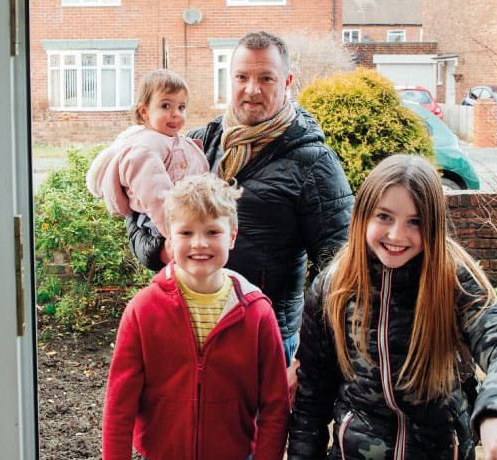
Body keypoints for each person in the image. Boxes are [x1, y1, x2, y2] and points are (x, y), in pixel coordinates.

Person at [127, 31, 354, 370]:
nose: (252, 89)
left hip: (264, 338)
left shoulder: (313, 164)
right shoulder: (195, 145)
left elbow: (340, 271)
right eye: (242, 77)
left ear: (287, 81)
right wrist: (160, 249)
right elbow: (137, 217)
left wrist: (308, 360)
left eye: (266, 78)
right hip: (188, 328)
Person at [287, 154, 497, 460]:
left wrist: (494, 414)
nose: (396, 235)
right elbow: (311, 402)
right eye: (384, 217)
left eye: (415, 222)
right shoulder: (332, 289)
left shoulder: (453, 281)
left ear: (433, 225)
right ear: (363, 215)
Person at [102, 174, 289, 460]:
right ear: (169, 237)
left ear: (233, 236)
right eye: (186, 233)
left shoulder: (257, 312)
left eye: (213, 232)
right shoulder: (142, 310)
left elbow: (275, 405)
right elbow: (119, 405)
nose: (199, 243)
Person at [87, 69, 209, 265]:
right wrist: (177, 235)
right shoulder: (145, 148)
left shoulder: (170, 140)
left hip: (179, 218)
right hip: (161, 221)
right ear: (144, 112)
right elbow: (156, 197)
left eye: (181, 107)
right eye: (166, 105)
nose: (175, 114)